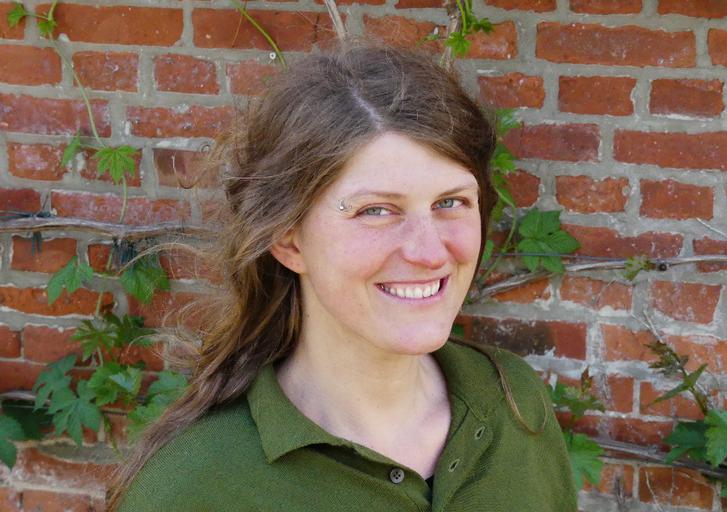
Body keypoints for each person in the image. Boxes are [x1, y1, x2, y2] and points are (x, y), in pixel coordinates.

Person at [107, 41, 577, 511]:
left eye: (450, 202)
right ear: (289, 240)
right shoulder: (191, 487)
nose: (430, 251)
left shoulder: (514, 401)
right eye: (376, 210)